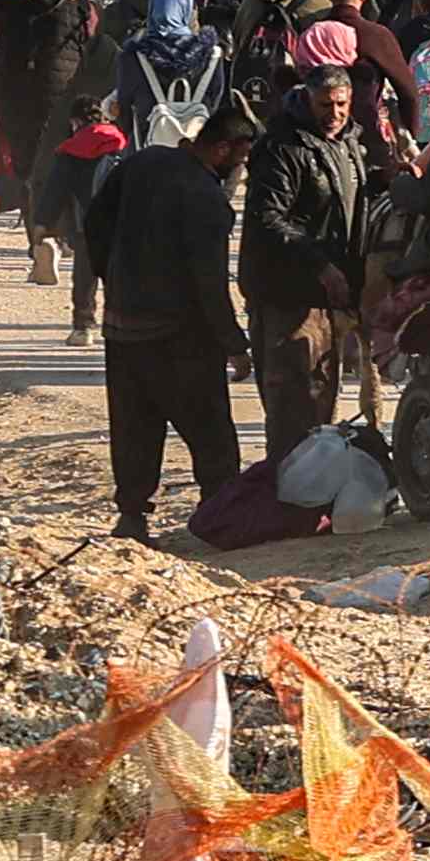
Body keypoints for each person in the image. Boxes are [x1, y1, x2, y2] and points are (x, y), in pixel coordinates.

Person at [76, 104, 251, 539]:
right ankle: (220, 514)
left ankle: (132, 516)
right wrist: (234, 344)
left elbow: (95, 222)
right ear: (222, 150)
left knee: (134, 425)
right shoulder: (207, 200)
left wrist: (112, 277)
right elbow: (209, 283)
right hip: (181, 335)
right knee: (210, 430)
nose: (238, 173)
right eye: (240, 161)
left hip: (123, 324)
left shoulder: (144, 160)